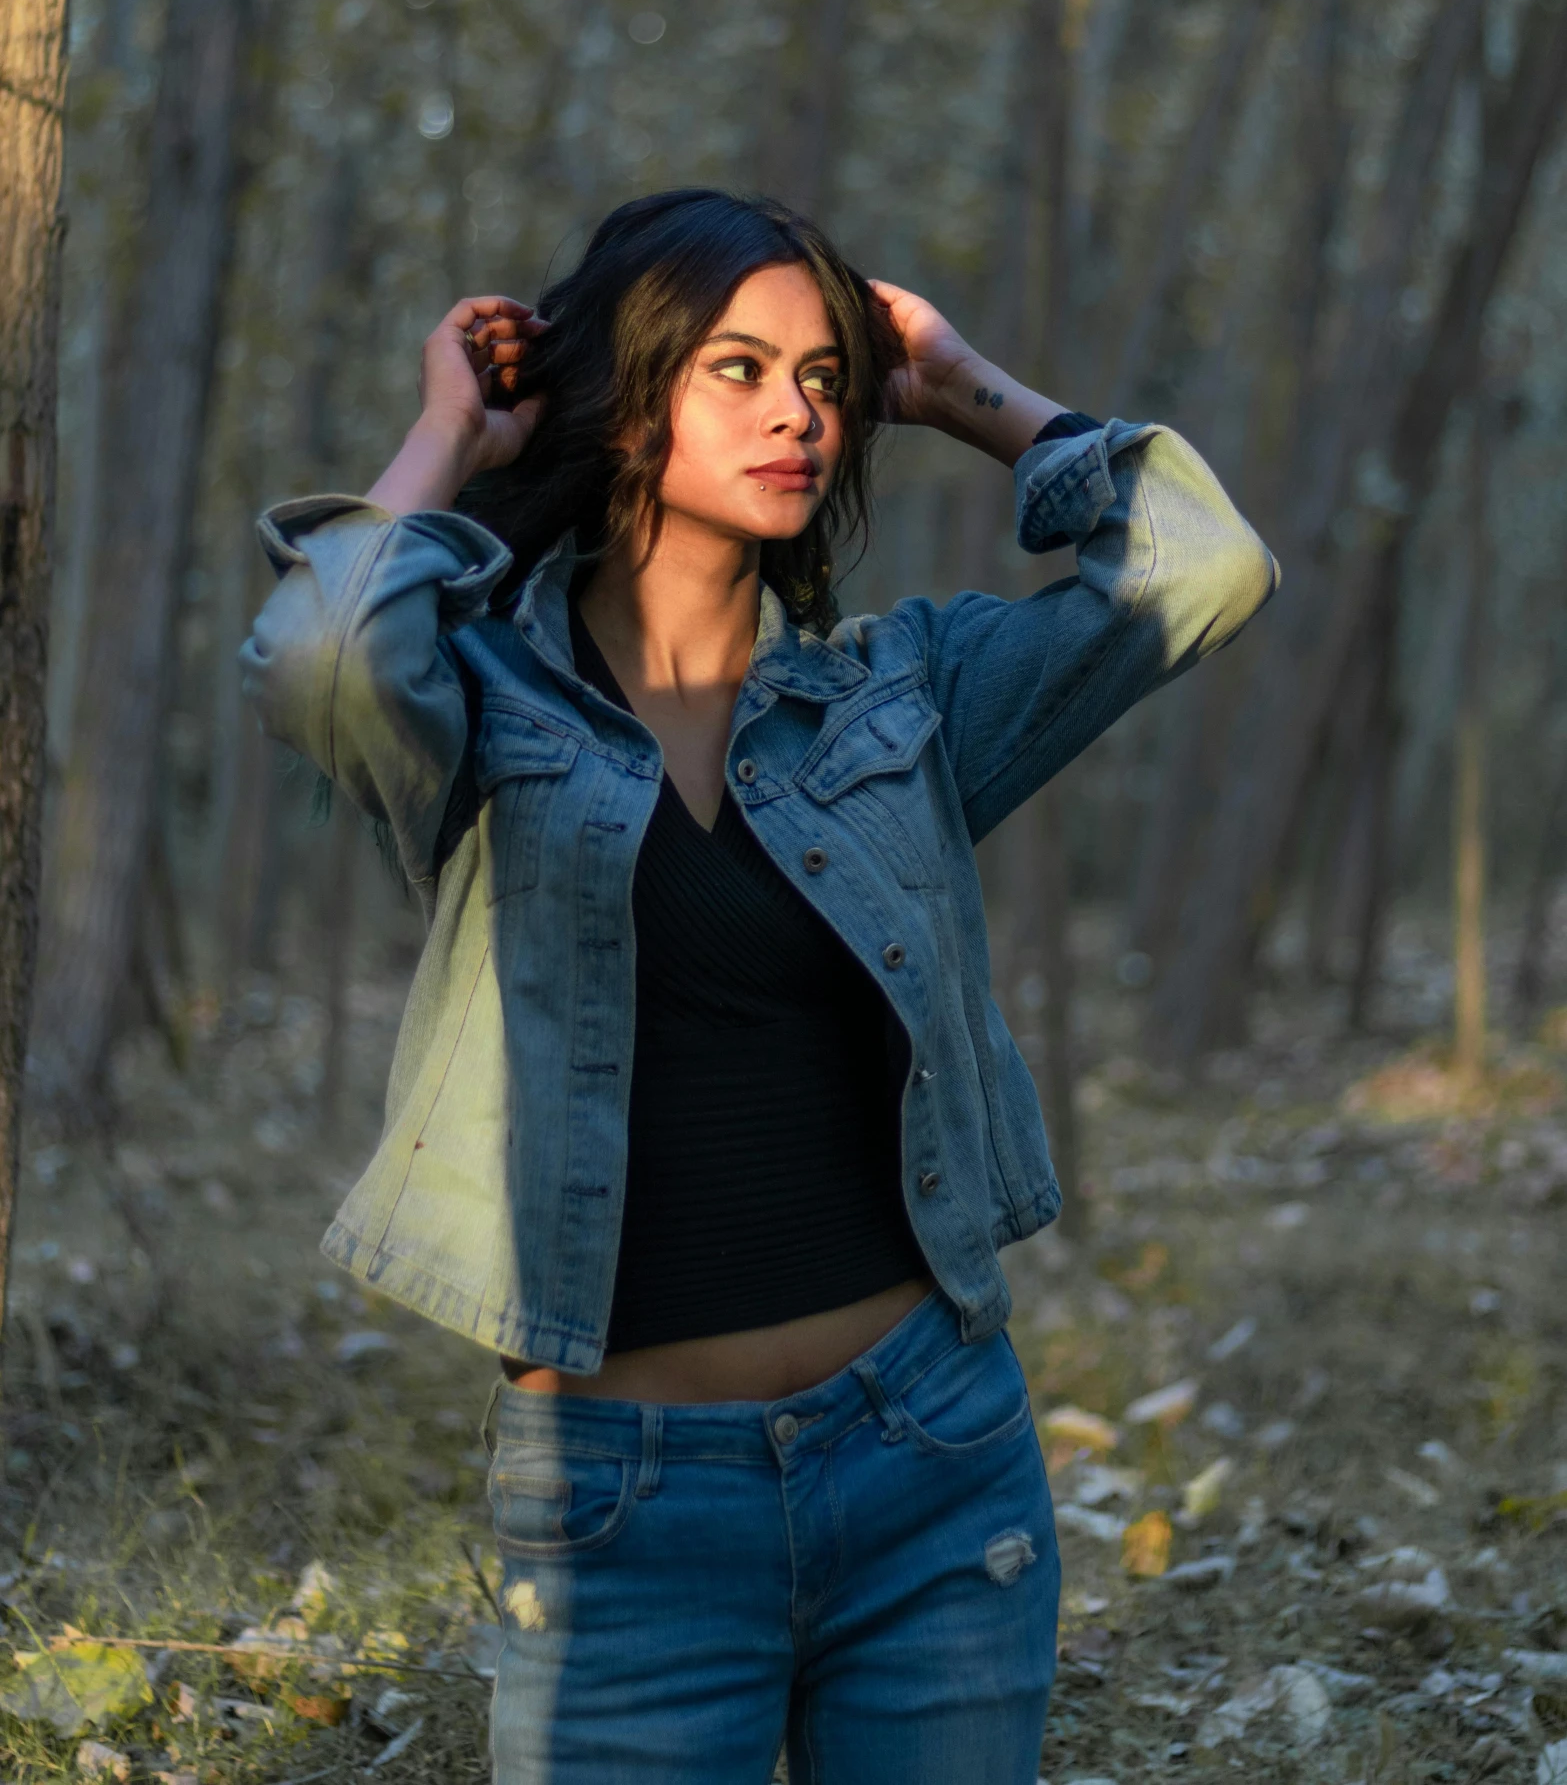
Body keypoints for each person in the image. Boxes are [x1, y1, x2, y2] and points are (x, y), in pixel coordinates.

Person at [241, 187, 1278, 1785]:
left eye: (820, 374)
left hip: (931, 1455)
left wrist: (957, 382)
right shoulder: (485, 698)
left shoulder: (901, 697)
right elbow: (318, 658)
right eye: (736, 366)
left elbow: (1199, 566)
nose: (797, 408)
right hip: (623, 1507)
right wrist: (451, 432)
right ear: (626, 392)